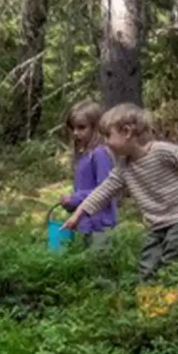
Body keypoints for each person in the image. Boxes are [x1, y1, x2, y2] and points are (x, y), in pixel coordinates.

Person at [62, 102, 178, 282]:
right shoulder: (124, 167)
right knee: (147, 266)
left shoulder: (164, 152)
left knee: (171, 261)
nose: (105, 141)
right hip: (157, 225)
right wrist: (77, 215)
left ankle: (173, 302)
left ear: (126, 132)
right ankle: (150, 303)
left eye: (108, 135)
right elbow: (103, 191)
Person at [59, 101, 117, 247]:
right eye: (73, 128)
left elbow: (105, 189)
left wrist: (75, 198)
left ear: (96, 128)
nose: (76, 133)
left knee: (100, 263)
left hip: (100, 225)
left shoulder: (99, 154)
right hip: (86, 223)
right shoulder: (85, 156)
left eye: (81, 127)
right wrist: (70, 204)